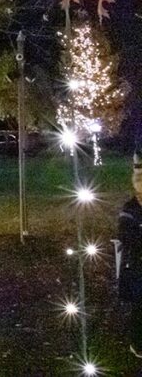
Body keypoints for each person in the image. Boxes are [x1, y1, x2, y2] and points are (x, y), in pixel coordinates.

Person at [119, 152, 142, 357]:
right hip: (138, 264)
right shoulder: (130, 209)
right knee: (139, 305)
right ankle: (138, 342)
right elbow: (126, 237)